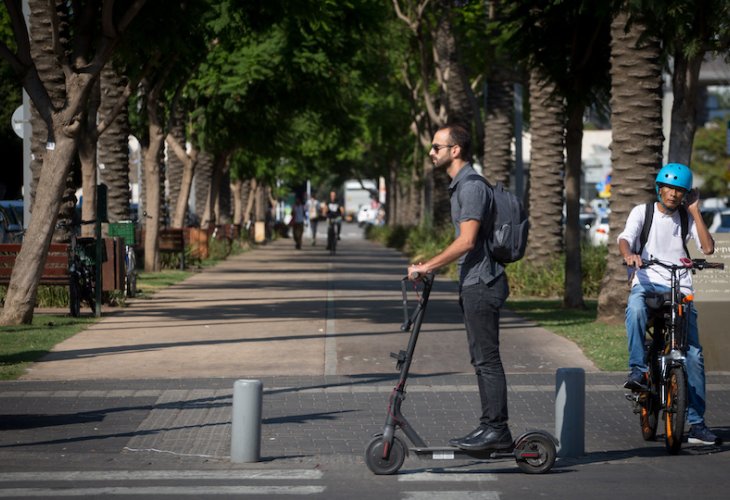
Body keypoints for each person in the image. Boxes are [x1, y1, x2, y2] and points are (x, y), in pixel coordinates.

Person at [407, 122, 512, 451]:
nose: (431, 152)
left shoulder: (470, 187)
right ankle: (490, 428)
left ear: (456, 150)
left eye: (436, 147)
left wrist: (427, 266)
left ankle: (497, 430)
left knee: (487, 360)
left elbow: (466, 241)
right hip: (476, 281)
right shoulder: (463, 186)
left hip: (482, 283)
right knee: (481, 359)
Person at [618, 162, 721, 445]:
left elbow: (708, 248)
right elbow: (625, 239)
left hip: (680, 288)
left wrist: (696, 211)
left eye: (679, 190)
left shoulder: (686, 218)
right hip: (648, 284)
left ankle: (697, 424)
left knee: (694, 355)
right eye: (669, 188)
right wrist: (630, 256)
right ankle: (638, 370)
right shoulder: (644, 212)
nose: (673, 194)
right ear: (659, 188)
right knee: (636, 308)